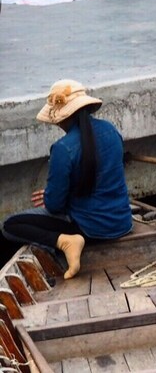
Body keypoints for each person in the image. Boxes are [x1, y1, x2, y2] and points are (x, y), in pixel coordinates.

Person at [2, 80, 132, 280]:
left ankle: (66, 242)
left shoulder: (63, 148)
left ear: (62, 118)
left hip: (89, 229)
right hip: (122, 223)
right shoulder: (111, 130)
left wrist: (51, 195)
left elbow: (54, 206)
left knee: (10, 225)